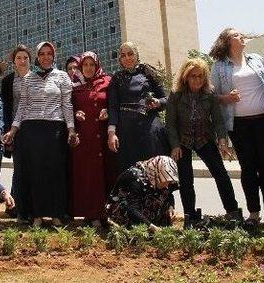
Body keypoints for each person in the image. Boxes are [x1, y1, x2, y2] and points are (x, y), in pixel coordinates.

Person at [3, 41, 78, 227]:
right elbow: (22, 107)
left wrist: (71, 129)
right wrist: (13, 130)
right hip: (31, 130)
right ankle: (36, 214)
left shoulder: (62, 77)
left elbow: (67, 105)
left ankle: (56, 214)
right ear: (37, 57)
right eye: (42, 54)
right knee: (35, 172)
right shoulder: (29, 78)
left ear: (53, 56)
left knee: (55, 172)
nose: (45, 57)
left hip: (55, 129)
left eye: (49, 54)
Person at [209, 28, 264, 224]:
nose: (242, 36)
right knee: (248, 168)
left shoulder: (257, 59)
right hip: (239, 125)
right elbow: (211, 97)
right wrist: (226, 98)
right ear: (227, 42)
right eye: (237, 35)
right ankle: (254, 213)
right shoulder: (219, 67)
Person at [166, 58, 241, 226]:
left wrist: (222, 140)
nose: (197, 80)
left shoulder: (210, 92)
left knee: (221, 174)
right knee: (186, 180)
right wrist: (175, 145)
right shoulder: (176, 94)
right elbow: (170, 123)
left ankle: (233, 212)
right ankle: (189, 216)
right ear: (186, 77)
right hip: (183, 140)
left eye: (200, 76)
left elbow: (218, 120)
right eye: (193, 76)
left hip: (204, 138)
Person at [107, 41, 169, 174]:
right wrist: (111, 134)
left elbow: (166, 99)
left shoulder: (149, 73)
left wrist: (158, 102)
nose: (127, 58)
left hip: (150, 129)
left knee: (154, 172)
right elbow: (112, 107)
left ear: (137, 55)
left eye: (130, 54)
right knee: (132, 174)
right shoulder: (116, 78)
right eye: (123, 55)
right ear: (120, 59)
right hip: (126, 133)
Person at [70, 51, 115, 227]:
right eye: (85, 65)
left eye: (92, 65)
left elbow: (114, 104)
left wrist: (109, 111)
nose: (88, 68)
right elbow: (68, 108)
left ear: (97, 66)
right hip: (85, 138)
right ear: (81, 67)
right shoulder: (74, 85)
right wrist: (75, 114)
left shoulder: (107, 82)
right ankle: (91, 215)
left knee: (106, 174)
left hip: (103, 137)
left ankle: (107, 214)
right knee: (88, 176)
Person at [106, 155, 178, 231]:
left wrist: (171, 207)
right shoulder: (135, 178)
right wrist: (150, 225)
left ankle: (154, 225)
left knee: (163, 196)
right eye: (167, 180)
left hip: (141, 211)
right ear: (159, 172)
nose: (168, 184)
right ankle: (134, 229)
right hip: (125, 212)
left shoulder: (157, 177)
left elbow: (169, 195)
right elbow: (132, 208)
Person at [1, 44, 32, 221]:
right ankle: (15, 205)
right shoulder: (8, 81)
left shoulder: (36, 78)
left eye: (25, 57)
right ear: (14, 61)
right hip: (15, 129)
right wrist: (8, 131)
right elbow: (6, 106)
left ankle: (29, 204)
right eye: (18, 58)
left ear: (30, 60)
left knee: (32, 166)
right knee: (19, 167)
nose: (22, 60)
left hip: (34, 128)